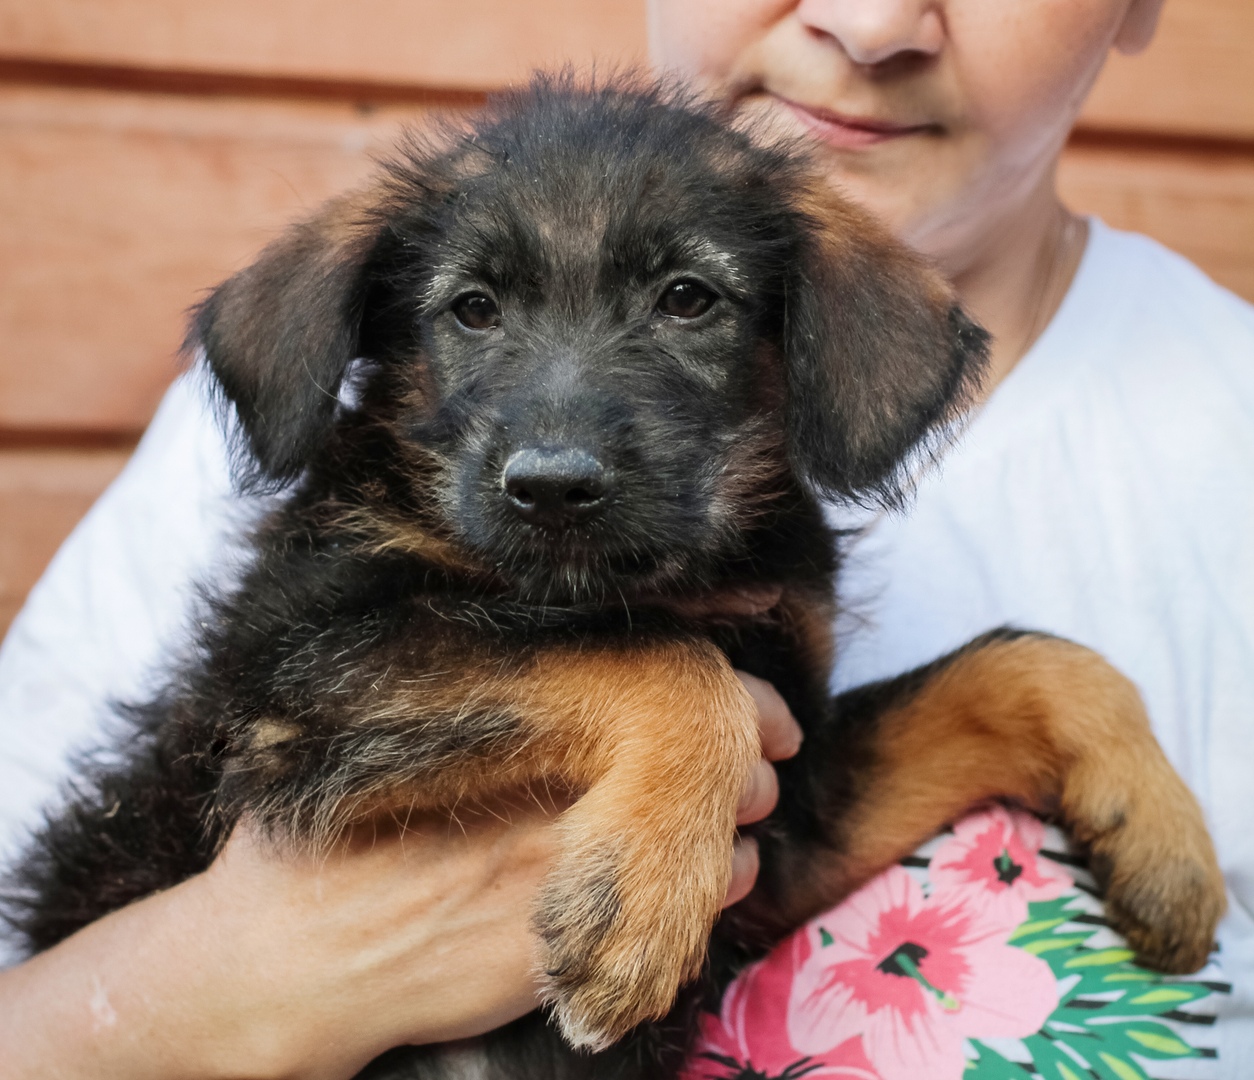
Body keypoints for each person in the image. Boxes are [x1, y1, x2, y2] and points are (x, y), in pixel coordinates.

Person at [2, 0, 1252, 1075]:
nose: (868, 21)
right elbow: (319, 691)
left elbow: (788, 830)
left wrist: (1037, 704)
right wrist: (662, 716)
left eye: (689, 300)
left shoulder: (1200, 448)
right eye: (474, 312)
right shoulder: (349, 513)